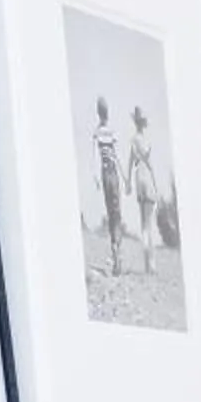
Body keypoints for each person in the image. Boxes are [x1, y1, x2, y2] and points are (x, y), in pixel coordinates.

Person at [124, 106, 163, 275]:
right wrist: (157, 186)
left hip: (138, 179)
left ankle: (148, 264)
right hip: (146, 177)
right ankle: (151, 266)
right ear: (143, 123)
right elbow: (150, 164)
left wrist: (128, 183)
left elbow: (130, 162)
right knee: (149, 224)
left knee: (143, 224)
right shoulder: (146, 141)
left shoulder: (133, 140)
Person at [91, 96, 127, 274]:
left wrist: (96, 177)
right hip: (112, 172)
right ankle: (117, 255)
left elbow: (95, 157)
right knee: (116, 213)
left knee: (112, 213)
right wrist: (125, 177)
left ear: (98, 112)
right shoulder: (110, 131)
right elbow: (117, 155)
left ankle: (116, 255)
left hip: (106, 173)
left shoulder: (97, 132)